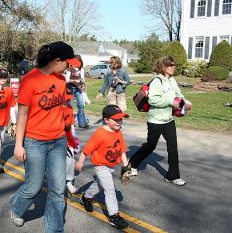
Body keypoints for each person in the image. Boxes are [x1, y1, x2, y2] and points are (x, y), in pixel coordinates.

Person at [9, 41, 80, 232]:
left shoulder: (61, 80)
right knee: (33, 186)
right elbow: (22, 114)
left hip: (58, 140)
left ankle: (54, 229)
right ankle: (15, 206)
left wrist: (68, 133)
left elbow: (60, 108)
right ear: (57, 61)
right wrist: (18, 145)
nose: (70, 66)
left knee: (58, 189)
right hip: (34, 142)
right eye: (68, 62)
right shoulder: (29, 80)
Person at [128, 56, 192, 186]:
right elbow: (152, 100)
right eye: (170, 65)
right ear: (163, 67)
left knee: (173, 147)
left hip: (168, 120)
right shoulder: (157, 81)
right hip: (155, 120)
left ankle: (173, 176)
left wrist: (185, 102)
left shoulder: (172, 81)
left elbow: (179, 95)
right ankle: (132, 163)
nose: (173, 67)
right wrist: (171, 102)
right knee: (150, 146)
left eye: (174, 65)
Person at [75, 104, 130, 230]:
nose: (119, 121)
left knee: (100, 184)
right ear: (106, 120)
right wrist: (80, 162)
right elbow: (86, 150)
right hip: (100, 165)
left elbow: (122, 150)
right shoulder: (100, 134)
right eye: (116, 119)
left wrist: (126, 166)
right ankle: (114, 217)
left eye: (121, 119)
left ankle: (86, 197)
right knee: (110, 189)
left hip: (111, 165)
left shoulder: (118, 132)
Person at [64, 83, 81, 194]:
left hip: (67, 138)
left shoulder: (70, 108)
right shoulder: (54, 108)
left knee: (70, 160)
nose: (67, 100)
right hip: (55, 138)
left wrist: (74, 139)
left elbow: (70, 126)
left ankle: (69, 181)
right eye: (65, 98)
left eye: (69, 98)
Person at [65, 54, 89, 128]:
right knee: (70, 105)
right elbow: (66, 80)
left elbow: (82, 79)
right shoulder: (70, 68)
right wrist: (74, 80)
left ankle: (82, 123)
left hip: (78, 88)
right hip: (70, 88)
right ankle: (70, 122)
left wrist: (82, 83)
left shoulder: (81, 69)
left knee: (81, 105)